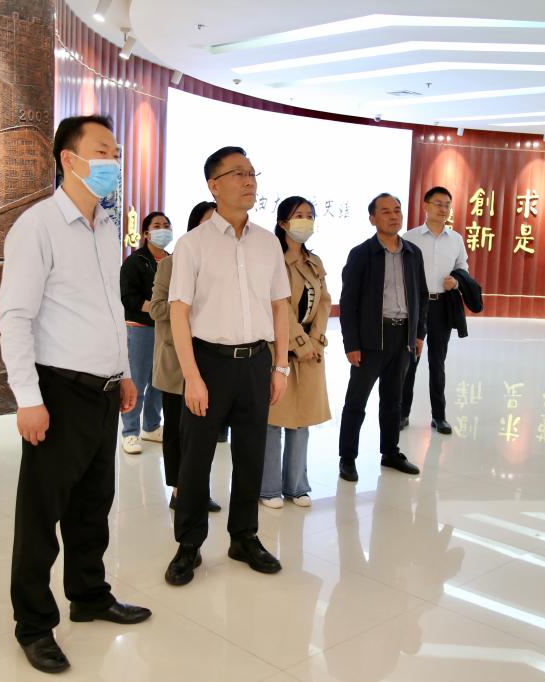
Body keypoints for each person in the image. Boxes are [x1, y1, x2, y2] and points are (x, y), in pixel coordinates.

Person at [0, 115, 151, 675]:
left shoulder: (105, 226)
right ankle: (34, 624)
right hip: (58, 392)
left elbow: (111, 309)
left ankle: (89, 595)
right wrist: (27, 399)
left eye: (117, 152)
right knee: (41, 516)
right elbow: (15, 317)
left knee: (93, 506)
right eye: (103, 151)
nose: (115, 161)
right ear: (69, 158)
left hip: (104, 392)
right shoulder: (37, 226)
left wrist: (124, 372)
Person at [164, 146, 290, 586]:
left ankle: (244, 537)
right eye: (238, 173)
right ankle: (189, 544)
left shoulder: (268, 243)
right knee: (196, 459)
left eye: (252, 172)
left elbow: (280, 305)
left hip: (256, 362)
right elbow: (179, 312)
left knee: (251, 454)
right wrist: (192, 377)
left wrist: (280, 367)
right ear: (213, 185)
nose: (249, 180)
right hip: (209, 364)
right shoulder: (192, 244)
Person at [337, 193, 428, 483]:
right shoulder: (361, 254)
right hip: (371, 339)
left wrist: (418, 334)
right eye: (385, 211)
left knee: (393, 401)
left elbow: (421, 296)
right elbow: (348, 302)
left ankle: (390, 452)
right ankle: (347, 457)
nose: (393, 216)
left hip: (403, 337)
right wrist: (351, 343)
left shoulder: (413, 253)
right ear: (372, 219)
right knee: (356, 401)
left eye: (397, 210)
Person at [150, 200, 221, 512]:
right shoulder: (171, 263)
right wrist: (186, 308)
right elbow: (156, 308)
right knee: (177, 431)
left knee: (204, 432)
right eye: (208, 223)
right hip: (176, 362)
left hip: (212, 361)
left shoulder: (225, 265)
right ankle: (180, 489)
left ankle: (199, 488)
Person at [260, 196, 331, 509]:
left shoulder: (314, 261)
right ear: (283, 223)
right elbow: (279, 307)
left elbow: (325, 302)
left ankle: (296, 486)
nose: (306, 220)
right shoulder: (272, 260)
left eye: (310, 215)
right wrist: (299, 343)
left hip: (310, 352)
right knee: (274, 419)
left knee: (302, 419)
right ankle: (268, 488)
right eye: (299, 215)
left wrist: (315, 340)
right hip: (279, 349)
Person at [401, 186, 468, 435]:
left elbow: (463, 268)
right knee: (410, 361)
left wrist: (456, 281)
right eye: (438, 203)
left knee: (437, 362)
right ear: (425, 206)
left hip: (442, 305)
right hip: (415, 307)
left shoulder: (456, 239)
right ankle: (402, 414)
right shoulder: (410, 237)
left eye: (447, 204)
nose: (443, 209)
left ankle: (439, 417)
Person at [119, 212, 170, 455]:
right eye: (157, 226)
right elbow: (128, 298)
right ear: (146, 233)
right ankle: (130, 432)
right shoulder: (135, 261)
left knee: (159, 382)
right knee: (137, 382)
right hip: (140, 329)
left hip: (166, 329)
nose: (163, 229)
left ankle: (151, 426)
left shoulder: (173, 260)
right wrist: (159, 308)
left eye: (166, 225)